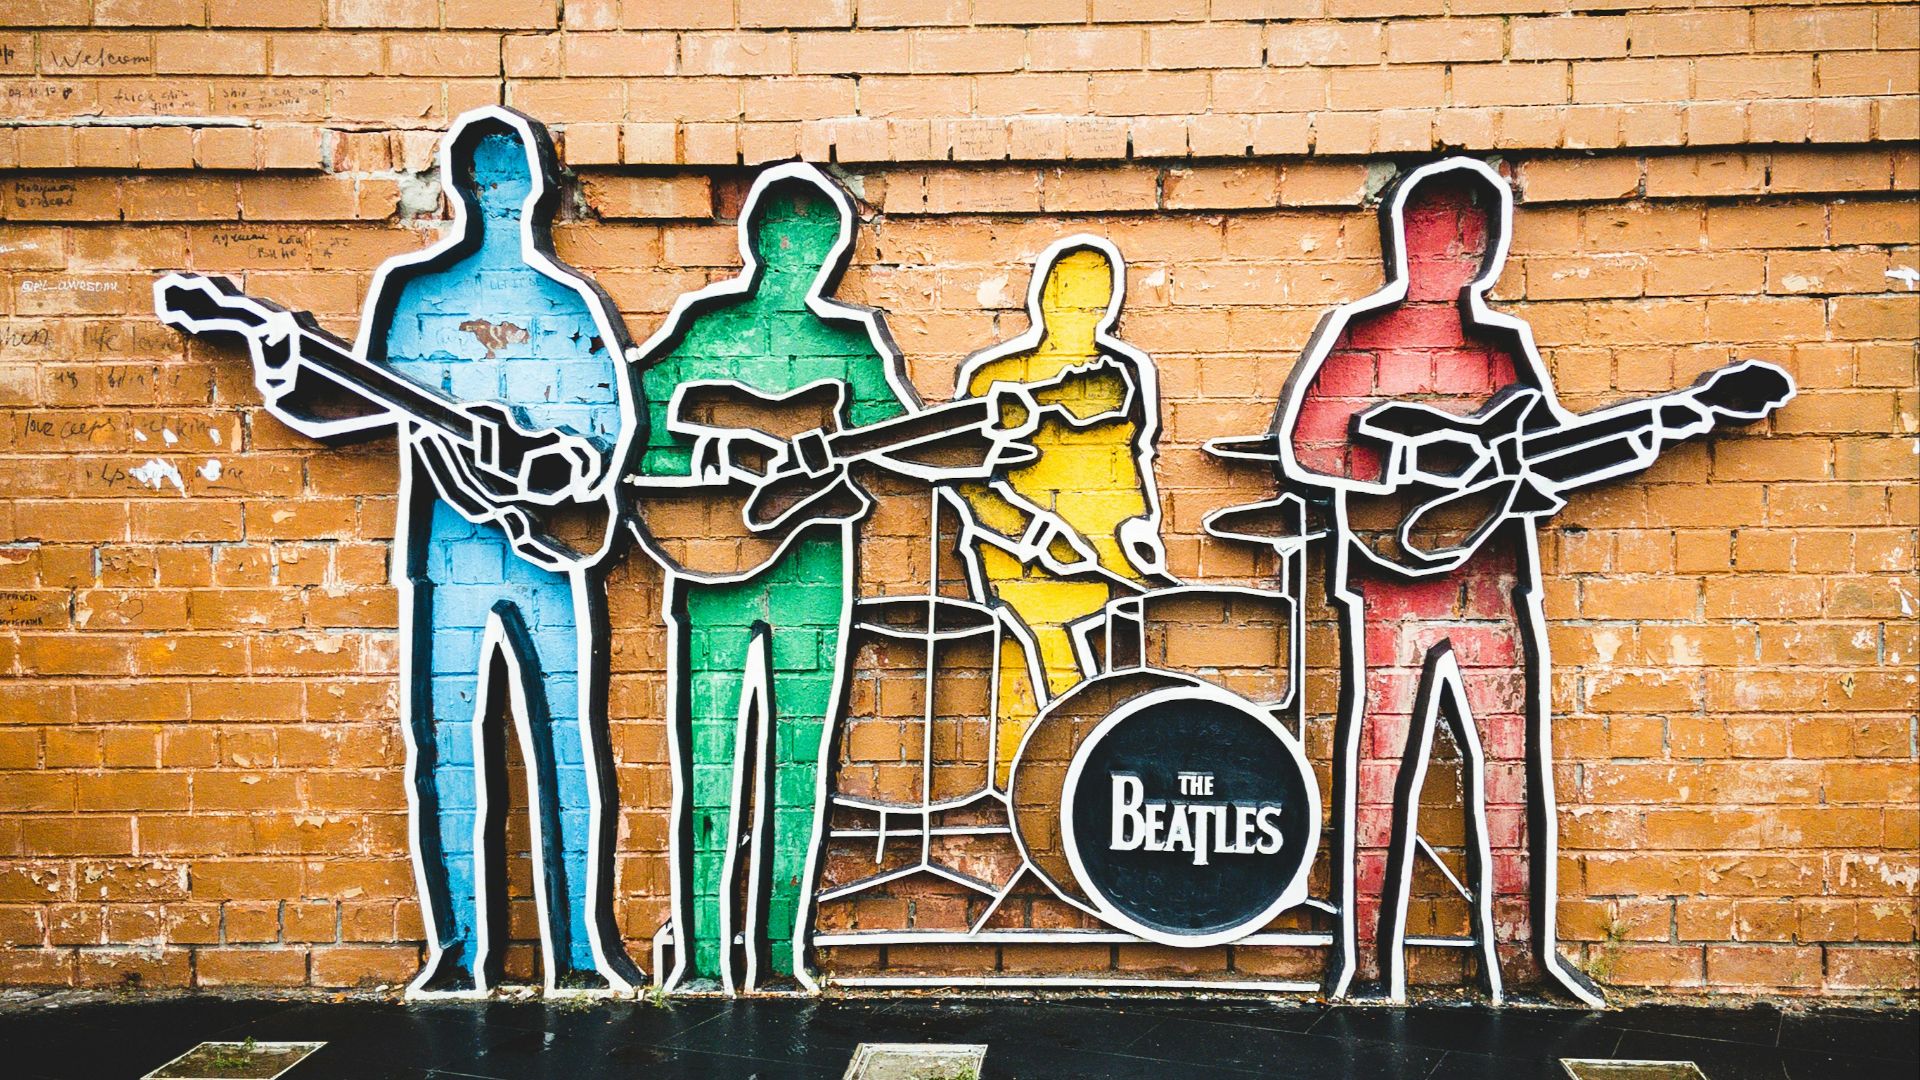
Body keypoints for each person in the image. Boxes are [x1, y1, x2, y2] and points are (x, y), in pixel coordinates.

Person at [207, 107, 642, 996]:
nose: (500, 193)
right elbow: (350, 412)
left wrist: (554, 466)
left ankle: (582, 951)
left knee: (567, 743)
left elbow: (613, 436)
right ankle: (456, 952)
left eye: (513, 175)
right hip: (443, 557)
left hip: (550, 559)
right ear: (460, 188)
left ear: (543, 188)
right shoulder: (412, 294)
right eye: (482, 176)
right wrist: (285, 364)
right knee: (444, 749)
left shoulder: (571, 302)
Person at [1269, 158, 1602, 1005]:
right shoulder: (1361, 335)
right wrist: (1408, 471)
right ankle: (1366, 959)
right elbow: (1306, 448)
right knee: (1377, 767)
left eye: (1471, 239)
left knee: (1510, 771)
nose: (1456, 254)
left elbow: (1544, 452)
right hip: (1388, 586)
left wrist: (1527, 475)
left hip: (1493, 584)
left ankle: (1522, 959)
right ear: (1402, 239)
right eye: (1438, 233)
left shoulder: (1504, 348)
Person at [624, 163, 921, 993]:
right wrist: (719, 456)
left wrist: (979, 443)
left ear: (834, 253)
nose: (800, 258)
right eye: (788, 240)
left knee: (800, 766)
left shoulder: (851, 346)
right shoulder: (701, 333)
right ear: (755, 240)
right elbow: (631, 430)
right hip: (708, 561)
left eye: (816, 244)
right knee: (708, 761)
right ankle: (703, 955)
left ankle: (783, 954)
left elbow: (902, 440)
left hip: (815, 568)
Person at [949, 237, 1169, 789]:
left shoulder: (1123, 373)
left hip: (1105, 544)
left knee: (1136, 641)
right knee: (1048, 642)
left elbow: (1133, 453)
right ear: (1042, 297)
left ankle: (1109, 775)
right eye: (1068, 292)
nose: (1083, 308)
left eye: (1098, 297)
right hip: (1014, 547)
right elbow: (965, 478)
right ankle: (1058, 780)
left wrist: (1141, 525)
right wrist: (1031, 533)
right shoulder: (994, 377)